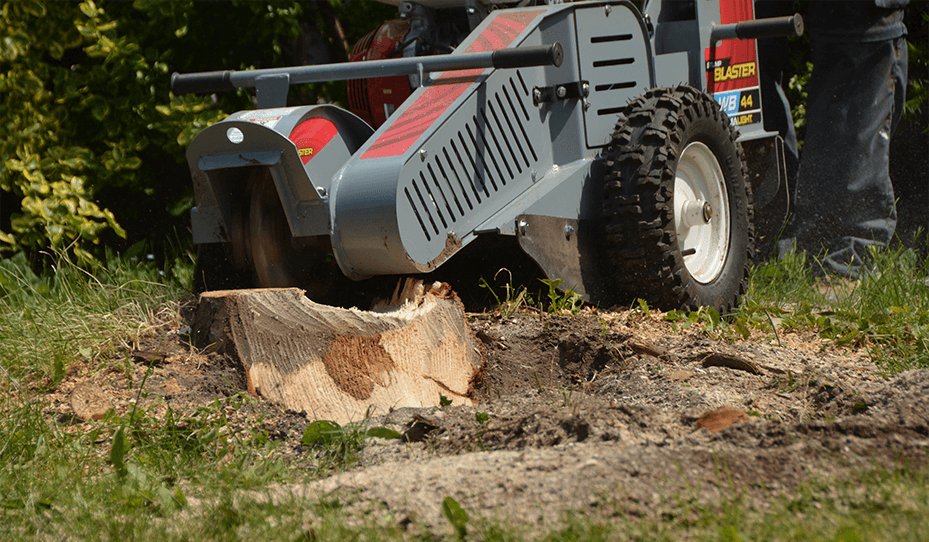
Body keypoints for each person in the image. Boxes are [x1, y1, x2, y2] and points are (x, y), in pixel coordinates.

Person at [771, 0, 909, 277]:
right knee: (748, 49)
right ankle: (795, 247)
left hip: (864, 20)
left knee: (858, 98)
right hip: (837, 20)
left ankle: (848, 262)